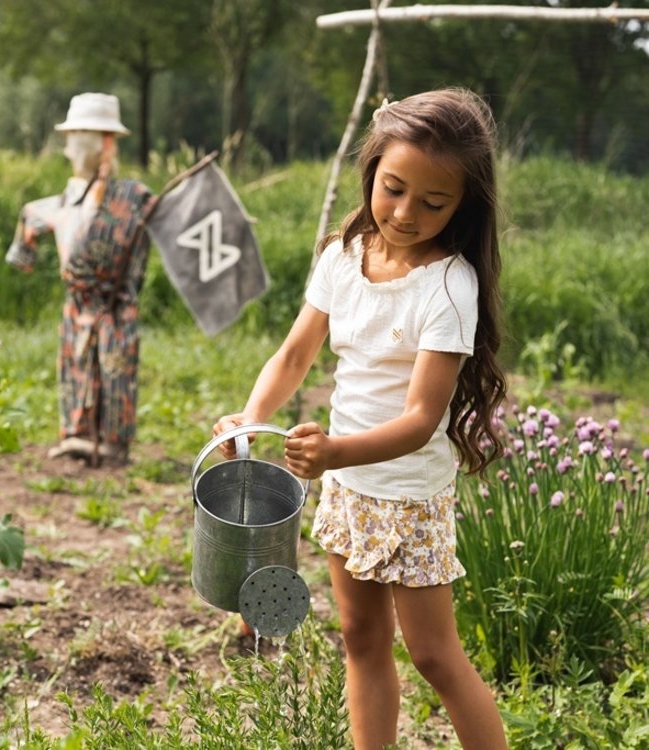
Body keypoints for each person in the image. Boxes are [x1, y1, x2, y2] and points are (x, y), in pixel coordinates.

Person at [214, 88, 508, 749]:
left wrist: (334, 453)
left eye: (433, 203)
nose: (406, 214)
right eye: (394, 189)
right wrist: (250, 418)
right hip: (350, 490)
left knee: (434, 655)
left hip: (407, 496)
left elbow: (421, 419)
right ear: (372, 168)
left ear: (463, 205)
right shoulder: (342, 258)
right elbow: (293, 355)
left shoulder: (448, 287)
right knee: (361, 638)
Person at [6, 92, 157, 465]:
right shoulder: (60, 202)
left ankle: (113, 442)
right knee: (76, 366)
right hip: (78, 303)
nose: (76, 148)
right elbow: (36, 225)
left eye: (86, 139)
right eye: (74, 139)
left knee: (115, 368)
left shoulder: (134, 196)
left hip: (116, 302)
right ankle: (77, 434)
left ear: (107, 144)